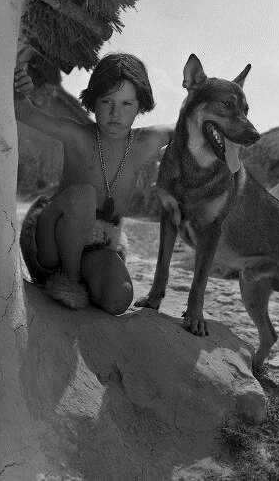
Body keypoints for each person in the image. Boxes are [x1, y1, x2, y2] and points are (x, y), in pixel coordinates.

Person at [15, 52, 172, 314]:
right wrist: (20, 89)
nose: (115, 113)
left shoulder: (145, 142)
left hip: (98, 244)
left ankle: (87, 277)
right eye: (106, 101)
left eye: (126, 104)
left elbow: (187, 127)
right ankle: (70, 280)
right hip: (52, 242)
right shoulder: (78, 136)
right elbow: (26, 113)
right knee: (84, 196)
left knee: (118, 298)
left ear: (140, 105)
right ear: (93, 101)